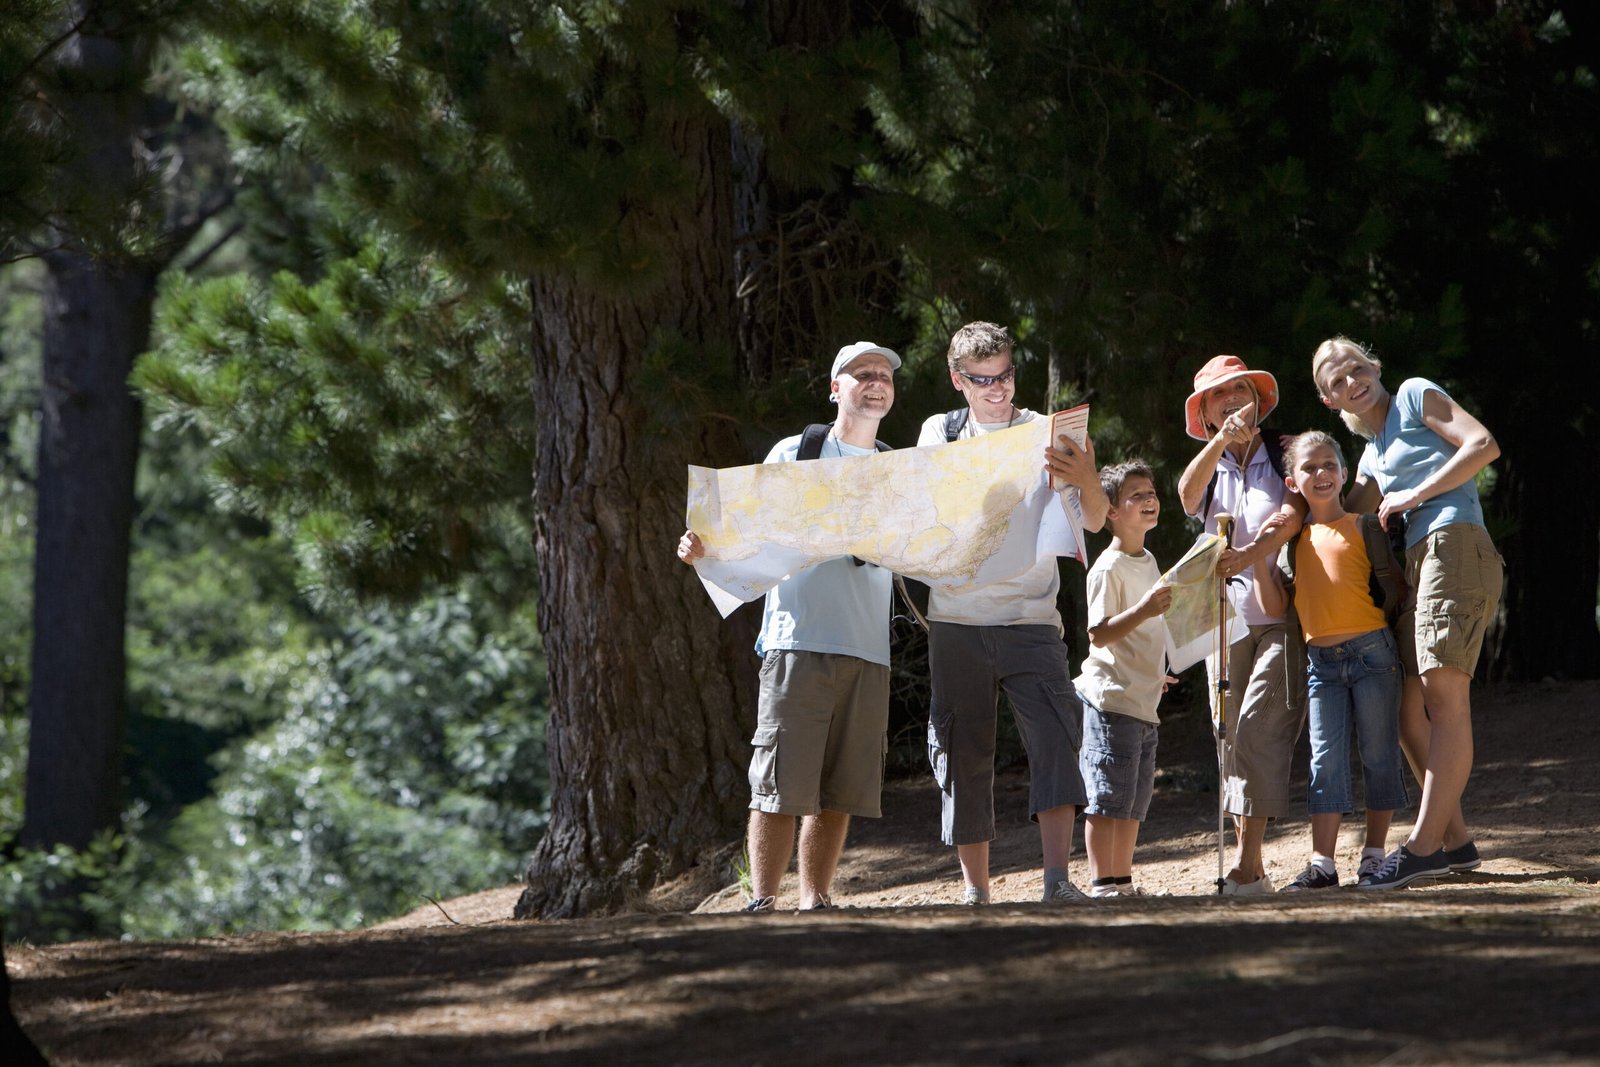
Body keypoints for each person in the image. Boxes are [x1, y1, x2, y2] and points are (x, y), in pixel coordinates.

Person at [678, 341, 902, 912]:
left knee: (839, 791)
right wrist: (704, 548)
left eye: (884, 375)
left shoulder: (899, 467)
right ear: (835, 389)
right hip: (797, 641)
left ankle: (815, 901)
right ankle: (763, 902)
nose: (876, 382)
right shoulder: (796, 451)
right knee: (778, 786)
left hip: (870, 648)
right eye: (862, 374)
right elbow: (744, 526)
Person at [917, 321, 1108, 905]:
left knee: (1055, 739)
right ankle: (976, 891)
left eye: (1005, 376)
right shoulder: (940, 432)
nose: (998, 389)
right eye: (983, 380)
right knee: (962, 750)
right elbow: (927, 513)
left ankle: (1057, 881)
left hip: (1032, 618)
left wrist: (1085, 476)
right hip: (957, 618)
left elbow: (1094, 520)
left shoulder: (1048, 431)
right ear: (957, 380)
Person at [1312, 336, 1503, 891]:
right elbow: (1340, 514)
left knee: (1444, 700)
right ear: (1329, 400)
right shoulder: (1372, 456)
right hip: (1424, 563)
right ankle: (1455, 841)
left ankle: (1421, 849)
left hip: (1453, 542)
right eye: (1337, 381)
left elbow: (1483, 445)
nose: (1352, 382)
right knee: (1406, 713)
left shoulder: (1415, 395)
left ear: (1375, 366)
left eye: (1356, 369)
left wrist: (1413, 494)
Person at [1176, 354, 1305, 895]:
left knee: (1256, 727)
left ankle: (1248, 866)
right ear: (1204, 412)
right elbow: (1186, 497)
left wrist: (1252, 554)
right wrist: (1218, 444)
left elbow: (1296, 512)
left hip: (1280, 613)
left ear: (1258, 399)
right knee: (1228, 737)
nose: (1231, 398)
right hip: (1222, 621)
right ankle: (1251, 868)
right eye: (1218, 394)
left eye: (1241, 389)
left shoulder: (1284, 450)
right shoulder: (1209, 465)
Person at [1263, 431, 1409, 890]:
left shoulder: (1365, 526)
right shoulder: (1294, 541)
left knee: (1379, 753)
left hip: (1373, 654)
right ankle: (1322, 865)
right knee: (1324, 760)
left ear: (1345, 473)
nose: (1321, 473)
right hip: (1320, 665)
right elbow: (1277, 603)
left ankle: (1374, 856)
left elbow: (1394, 584)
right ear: (1292, 482)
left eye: (1329, 464)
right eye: (1309, 468)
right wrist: (1255, 562)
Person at [1075, 460, 1173, 898]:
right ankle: (1102, 884)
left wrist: (1156, 672)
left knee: (1134, 801)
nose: (1149, 499)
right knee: (1107, 797)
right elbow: (1099, 633)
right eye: (1137, 495)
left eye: (1151, 492)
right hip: (1111, 701)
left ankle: (1122, 881)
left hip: (1143, 700)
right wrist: (1146, 609)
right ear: (1111, 511)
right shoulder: (1107, 567)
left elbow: (1143, 634)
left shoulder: (1148, 560)